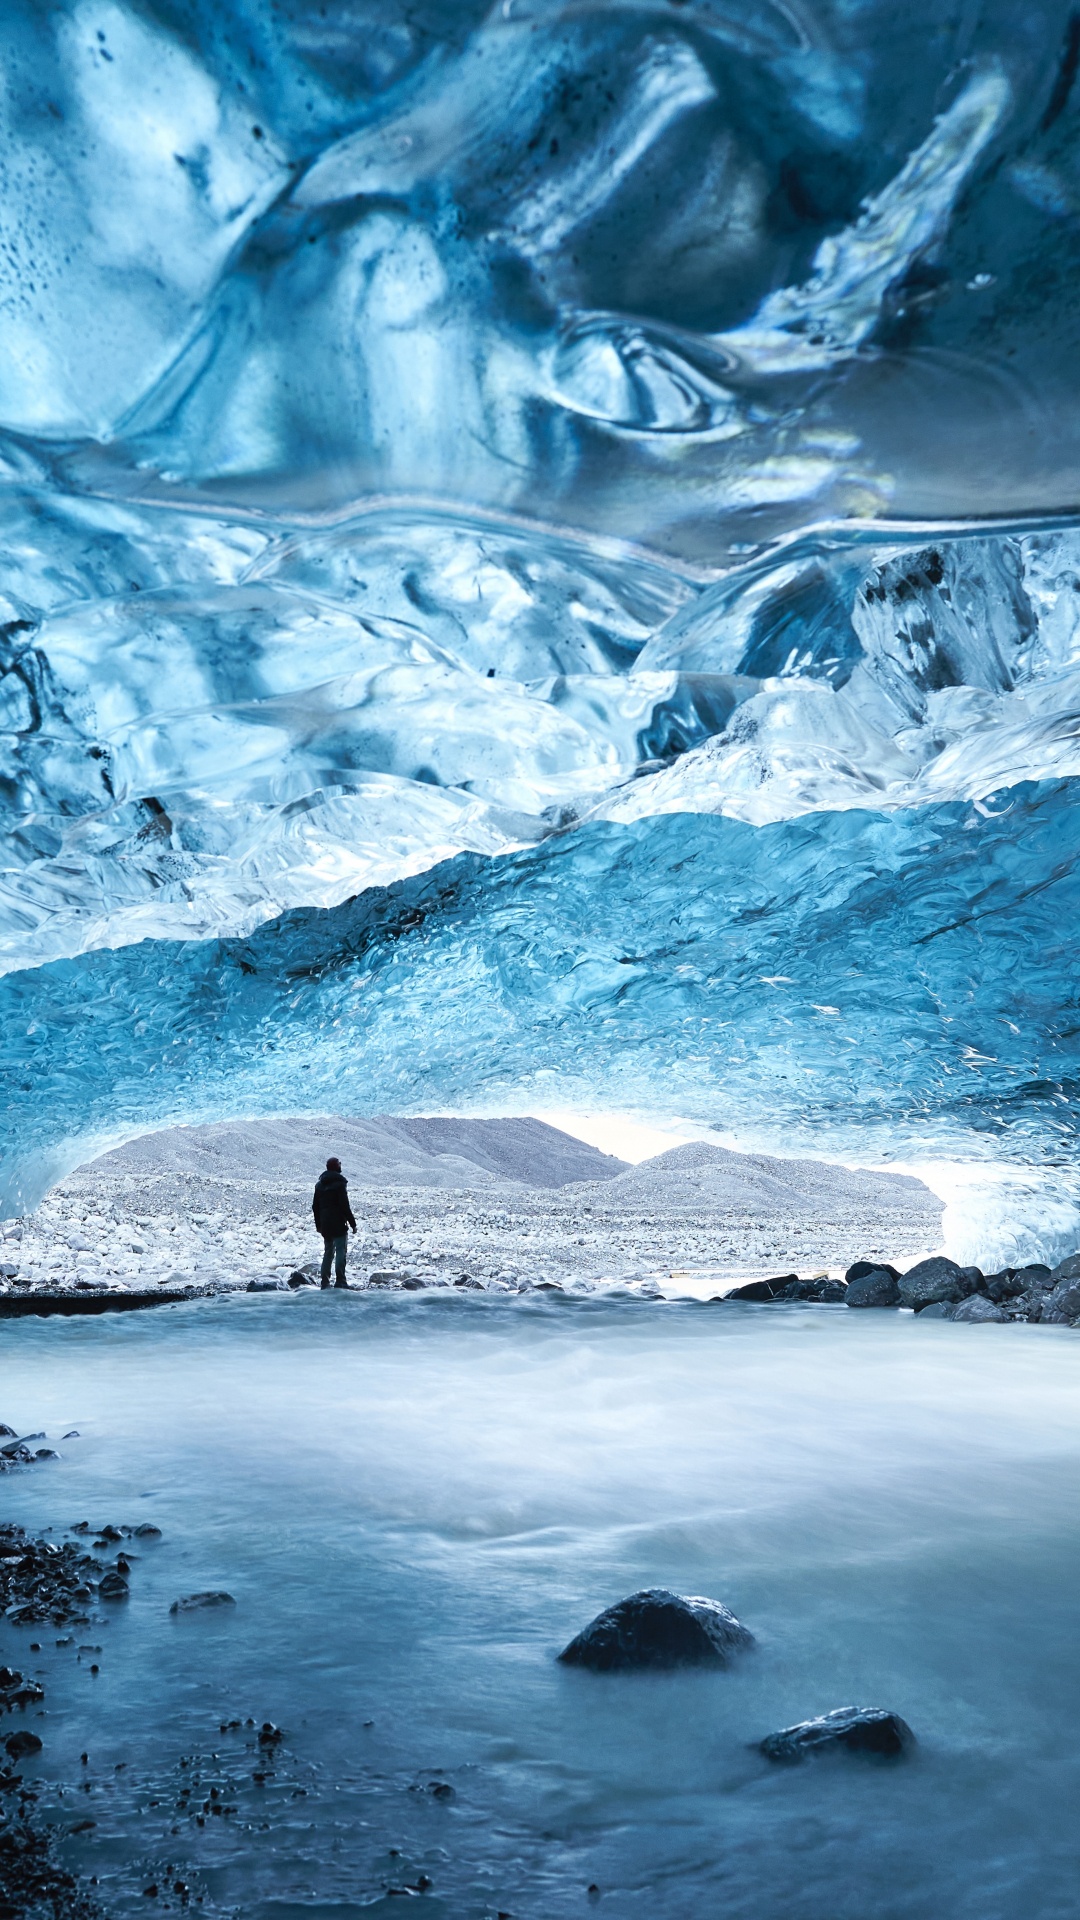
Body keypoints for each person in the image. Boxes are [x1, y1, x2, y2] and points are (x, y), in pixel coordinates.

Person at [312, 1156, 357, 1288]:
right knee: (341, 1251)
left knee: (328, 1252)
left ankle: (325, 1282)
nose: (340, 1165)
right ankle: (340, 1281)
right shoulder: (340, 1184)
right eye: (339, 1164)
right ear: (336, 1166)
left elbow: (315, 1206)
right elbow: (344, 1206)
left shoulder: (319, 1185)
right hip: (338, 1223)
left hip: (325, 1224)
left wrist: (318, 1225)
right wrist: (352, 1223)